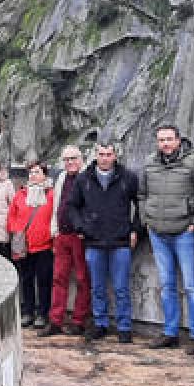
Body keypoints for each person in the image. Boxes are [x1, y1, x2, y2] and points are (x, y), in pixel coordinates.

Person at [139, 125, 194, 354]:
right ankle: (170, 332)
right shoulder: (150, 163)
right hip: (157, 232)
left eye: (169, 139)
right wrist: (146, 219)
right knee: (167, 285)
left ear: (179, 140)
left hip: (184, 233)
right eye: (161, 140)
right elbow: (141, 194)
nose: (165, 144)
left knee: (192, 286)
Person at [68, 143, 141, 342]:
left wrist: (135, 229)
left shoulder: (128, 177)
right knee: (97, 287)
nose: (105, 158)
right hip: (94, 241)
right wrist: (80, 227)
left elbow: (140, 204)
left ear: (115, 155)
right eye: (101, 154)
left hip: (120, 240)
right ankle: (100, 323)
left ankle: (124, 327)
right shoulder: (84, 179)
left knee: (121, 288)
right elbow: (72, 206)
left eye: (109, 154)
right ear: (95, 155)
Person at [43, 146, 91, 337]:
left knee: (82, 279)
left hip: (79, 236)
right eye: (66, 159)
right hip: (62, 234)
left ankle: (79, 321)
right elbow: (56, 206)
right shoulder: (62, 177)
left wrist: (85, 230)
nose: (70, 162)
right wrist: (54, 230)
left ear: (81, 159)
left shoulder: (88, 177)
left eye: (73, 158)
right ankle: (55, 320)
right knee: (58, 278)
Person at [8, 161, 55, 329]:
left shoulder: (51, 194)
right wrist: (17, 230)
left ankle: (43, 313)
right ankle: (28, 311)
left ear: (44, 175)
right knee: (26, 280)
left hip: (44, 245)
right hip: (25, 245)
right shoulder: (20, 194)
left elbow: (55, 216)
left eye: (37, 172)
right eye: (31, 173)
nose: (33, 176)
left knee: (44, 281)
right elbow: (12, 215)